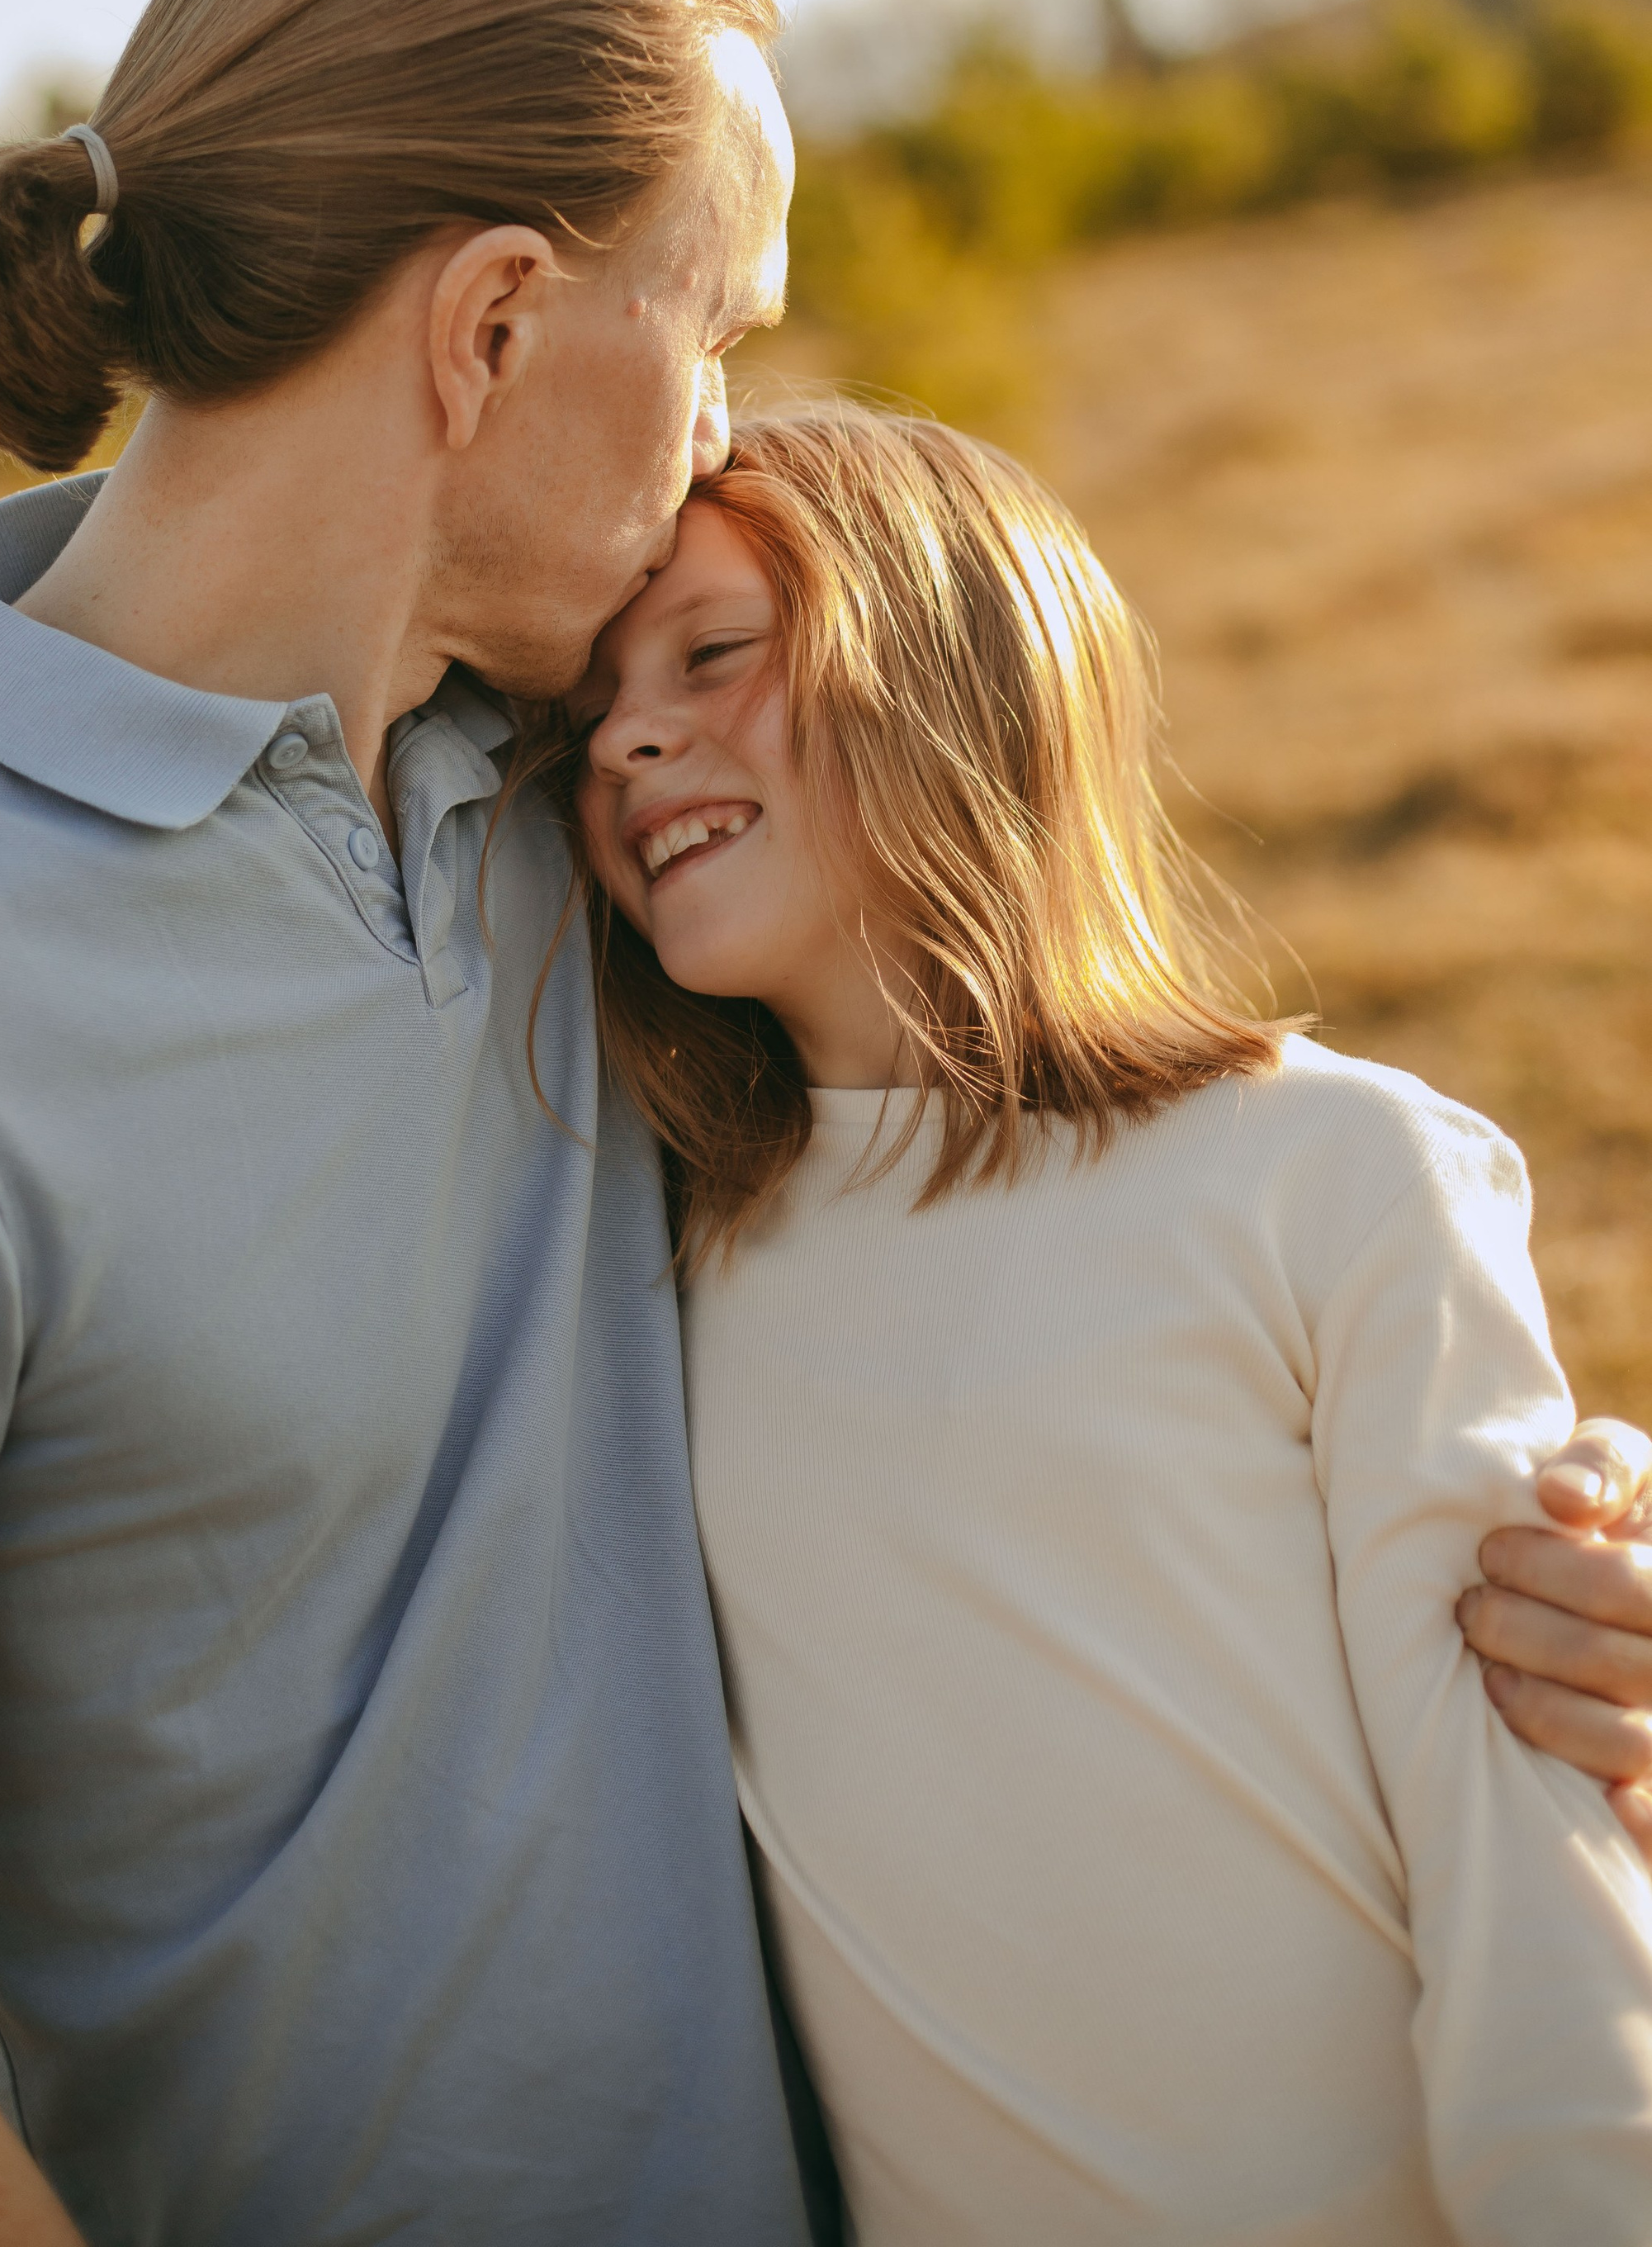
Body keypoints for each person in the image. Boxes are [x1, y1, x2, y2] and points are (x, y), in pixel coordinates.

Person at [0, 0, 1652, 2245]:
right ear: (496, 328)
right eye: (724, 326)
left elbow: (1054, 1269)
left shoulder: (588, 834)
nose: (720, 431)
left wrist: (1501, 1552)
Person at [566, 399, 1652, 2245]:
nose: (626, 737)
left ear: (956, 664)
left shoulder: (1330, 1175)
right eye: (585, 711)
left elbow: (1518, 1855)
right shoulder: (645, 1276)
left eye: (712, 651)